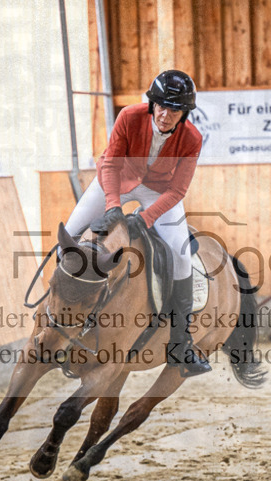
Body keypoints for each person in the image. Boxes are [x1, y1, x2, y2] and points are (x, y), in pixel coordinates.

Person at [64, 69, 211, 377]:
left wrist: (146, 218)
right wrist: (114, 206)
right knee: (72, 231)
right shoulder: (129, 117)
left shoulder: (191, 139)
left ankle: (180, 344)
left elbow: (178, 190)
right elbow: (110, 164)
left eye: (175, 110)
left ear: (184, 112)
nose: (166, 115)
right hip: (117, 179)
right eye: (162, 106)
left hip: (160, 191)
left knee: (182, 255)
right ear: (152, 104)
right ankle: (57, 312)